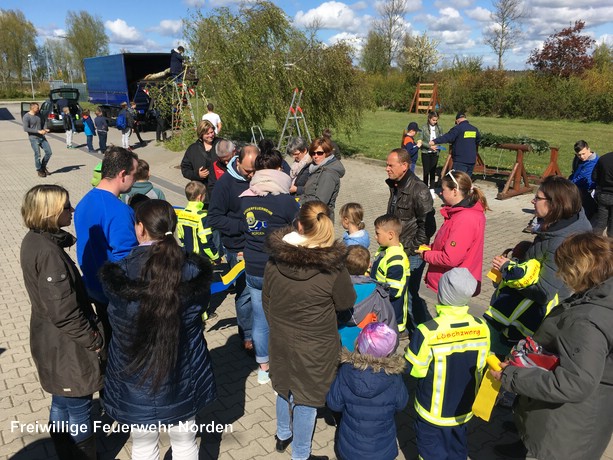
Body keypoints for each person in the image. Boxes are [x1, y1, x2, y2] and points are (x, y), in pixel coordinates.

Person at [99, 199, 217, 460]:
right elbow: (199, 312)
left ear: (140, 228)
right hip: (183, 373)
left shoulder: (119, 274)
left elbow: (117, 322)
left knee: (143, 447)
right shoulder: (194, 269)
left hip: (136, 378)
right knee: (186, 443)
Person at [491, 232, 613, 460]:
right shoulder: (599, 295)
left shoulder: (586, 321)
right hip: (575, 417)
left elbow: (575, 383)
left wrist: (511, 375)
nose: (559, 275)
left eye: (563, 268)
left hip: (565, 433)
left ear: (579, 269)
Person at [263, 201, 356, 460]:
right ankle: (301, 453)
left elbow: (267, 300)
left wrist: (278, 326)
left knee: (282, 386)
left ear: (299, 225)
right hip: (317, 343)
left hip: (280, 336)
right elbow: (346, 302)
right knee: (307, 397)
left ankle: (283, 435)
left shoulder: (275, 260)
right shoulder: (334, 267)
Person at [20, 185, 103, 460]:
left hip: (50, 339)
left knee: (61, 398)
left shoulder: (35, 240)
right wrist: (93, 340)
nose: (72, 210)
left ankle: (63, 452)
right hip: (66, 345)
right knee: (78, 406)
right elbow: (64, 311)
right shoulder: (49, 254)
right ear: (51, 211)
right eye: (67, 206)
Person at [484, 175, 592, 355]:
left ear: (555, 203)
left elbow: (544, 293)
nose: (533, 201)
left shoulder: (560, 243)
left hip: (526, 320)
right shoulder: (570, 222)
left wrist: (509, 271)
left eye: (538, 198)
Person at [405, 268, 490, 460]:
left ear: (442, 294)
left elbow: (415, 370)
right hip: (463, 408)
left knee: (431, 454)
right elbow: (481, 364)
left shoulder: (427, 331)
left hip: (432, 412)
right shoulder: (481, 326)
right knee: (458, 450)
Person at [239, 149, 300, 384]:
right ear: (277, 171)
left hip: (253, 266)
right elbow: (298, 231)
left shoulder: (244, 198)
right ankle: (284, 363)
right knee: (283, 318)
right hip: (277, 267)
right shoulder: (285, 201)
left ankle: (263, 366)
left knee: (259, 318)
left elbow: (241, 228)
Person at [74, 146, 139, 338]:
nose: (134, 181)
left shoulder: (84, 201)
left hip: (93, 286)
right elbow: (128, 259)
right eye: (134, 175)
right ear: (122, 174)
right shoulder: (119, 211)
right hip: (116, 297)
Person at [326, 322, 408, 460]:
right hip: (382, 449)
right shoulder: (394, 376)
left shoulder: (346, 370)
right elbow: (401, 403)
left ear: (358, 345)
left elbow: (334, 403)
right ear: (389, 351)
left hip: (351, 448)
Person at [207, 145, 259, 352]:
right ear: (237, 162)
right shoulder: (225, 185)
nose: (251, 175)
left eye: (255, 171)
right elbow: (214, 218)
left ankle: (261, 330)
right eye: (248, 171)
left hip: (259, 245)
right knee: (245, 292)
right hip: (237, 247)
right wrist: (241, 226)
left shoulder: (259, 178)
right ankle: (247, 335)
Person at [385, 148, 435, 331]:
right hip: (396, 248)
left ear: (404, 166)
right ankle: (404, 326)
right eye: (387, 164)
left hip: (411, 252)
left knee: (411, 292)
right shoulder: (395, 184)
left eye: (391, 165)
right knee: (401, 291)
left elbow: (428, 226)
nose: (387, 169)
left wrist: (413, 248)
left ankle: (424, 331)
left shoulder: (419, 190)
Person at [417, 170, 489, 295]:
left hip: (453, 285)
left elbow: (451, 258)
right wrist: (431, 248)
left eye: (443, 189)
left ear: (454, 191)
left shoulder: (464, 218)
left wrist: (425, 255)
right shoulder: (459, 213)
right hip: (453, 281)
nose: (440, 192)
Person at [339, 245, 397, 351]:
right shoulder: (377, 294)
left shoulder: (334, 288)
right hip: (366, 352)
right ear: (369, 265)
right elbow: (389, 328)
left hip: (336, 347)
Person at [370, 215, 410, 333]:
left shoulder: (396, 259)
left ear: (390, 235)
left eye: (378, 234)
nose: (375, 237)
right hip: (384, 310)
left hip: (391, 317)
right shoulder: (384, 250)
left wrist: (374, 292)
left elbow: (393, 291)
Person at [300, 136, 346, 214]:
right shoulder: (316, 167)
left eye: (319, 153)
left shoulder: (328, 174)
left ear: (327, 153)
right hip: (311, 212)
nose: (315, 156)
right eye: (313, 153)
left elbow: (320, 202)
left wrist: (300, 203)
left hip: (320, 218)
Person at [177, 181, 219, 262]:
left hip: (188, 256)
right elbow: (206, 241)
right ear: (200, 197)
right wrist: (216, 257)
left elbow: (181, 237)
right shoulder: (202, 216)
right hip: (201, 259)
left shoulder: (181, 214)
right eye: (205, 195)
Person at [430, 112, 481, 176]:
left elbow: (447, 137)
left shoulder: (458, 128)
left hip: (460, 161)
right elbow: (478, 140)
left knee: (457, 181)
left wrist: (434, 141)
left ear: (457, 120)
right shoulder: (474, 129)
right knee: (466, 182)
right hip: (471, 160)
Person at [180, 120, 221, 198]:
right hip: (201, 194)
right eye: (207, 134)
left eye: (212, 132)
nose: (211, 135)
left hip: (219, 190)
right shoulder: (193, 149)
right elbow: (185, 169)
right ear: (201, 134)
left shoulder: (221, 144)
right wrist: (197, 174)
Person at [569, 140, 598, 219]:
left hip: (587, 189)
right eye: (579, 155)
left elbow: (582, 178)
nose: (581, 157)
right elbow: (575, 173)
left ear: (589, 149)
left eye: (583, 154)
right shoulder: (581, 160)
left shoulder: (592, 163)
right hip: (578, 185)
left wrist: (568, 184)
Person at [23, 102, 53, 177]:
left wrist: (45, 128)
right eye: (37, 108)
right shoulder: (26, 117)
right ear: (32, 108)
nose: (38, 109)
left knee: (49, 152)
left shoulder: (39, 114)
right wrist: (38, 131)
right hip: (33, 138)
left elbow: (44, 121)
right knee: (38, 154)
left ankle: (43, 167)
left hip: (42, 137)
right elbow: (26, 128)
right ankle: (39, 170)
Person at [592, 150, 613, 236]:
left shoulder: (603, 158)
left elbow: (594, 177)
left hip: (603, 195)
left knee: (600, 222)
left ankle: (595, 243)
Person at [420, 111, 443, 187]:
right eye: (433, 120)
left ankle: (432, 188)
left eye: (436, 120)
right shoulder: (424, 128)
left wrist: (438, 147)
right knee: (426, 171)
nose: (435, 122)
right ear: (429, 118)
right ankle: (425, 187)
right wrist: (429, 146)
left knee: (433, 171)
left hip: (435, 153)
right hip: (425, 152)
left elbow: (441, 139)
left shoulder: (439, 128)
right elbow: (420, 141)